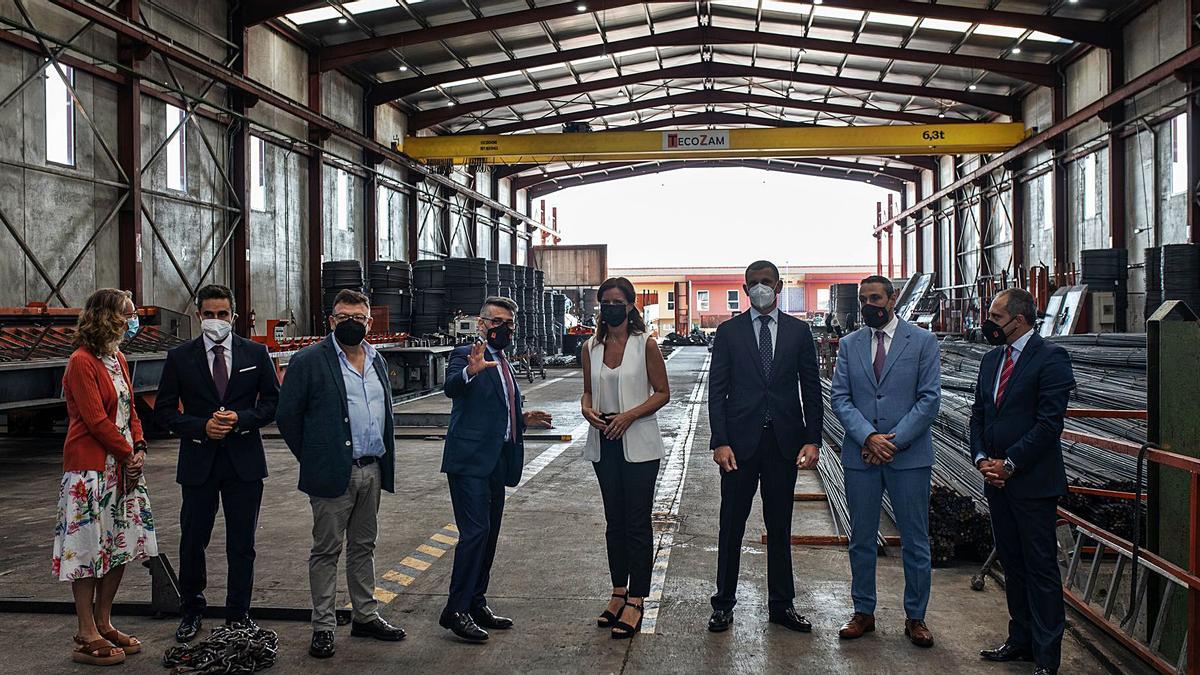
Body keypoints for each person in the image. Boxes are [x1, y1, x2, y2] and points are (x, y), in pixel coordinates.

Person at [276, 289, 406, 659]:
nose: (351, 322)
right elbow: (288, 416)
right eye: (343, 316)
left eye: (358, 317)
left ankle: (365, 615)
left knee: (364, 547)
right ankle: (324, 625)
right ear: (331, 320)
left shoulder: (377, 359)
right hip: (334, 473)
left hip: (372, 469)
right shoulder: (309, 360)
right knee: (327, 550)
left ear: (369, 321)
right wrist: (315, 457)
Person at [155, 284, 279, 642]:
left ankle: (238, 614)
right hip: (199, 461)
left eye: (222, 314)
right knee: (193, 540)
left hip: (244, 463)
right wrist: (201, 427)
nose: (215, 321)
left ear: (234, 316)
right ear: (198, 316)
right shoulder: (180, 357)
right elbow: (163, 411)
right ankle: (191, 610)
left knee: (242, 543)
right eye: (208, 314)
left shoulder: (255, 353)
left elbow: (272, 403)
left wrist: (240, 420)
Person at [707, 260, 823, 634]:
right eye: (753, 283)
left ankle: (781, 605)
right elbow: (717, 391)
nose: (760, 287)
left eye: (766, 282)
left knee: (779, 525)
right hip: (739, 446)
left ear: (778, 285)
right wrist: (720, 440)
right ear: (745, 289)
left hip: (783, 444)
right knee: (731, 526)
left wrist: (813, 438)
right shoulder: (728, 332)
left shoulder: (799, 332)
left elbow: (811, 388)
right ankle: (723, 604)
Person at [830, 275, 941, 647]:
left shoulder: (922, 342)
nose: (868, 305)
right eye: (863, 299)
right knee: (861, 537)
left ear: (892, 299)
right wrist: (867, 436)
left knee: (914, 538)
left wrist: (891, 442)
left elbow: (928, 400)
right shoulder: (850, 344)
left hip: (908, 457)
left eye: (875, 298)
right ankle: (863, 612)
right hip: (861, 455)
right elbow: (841, 398)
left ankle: (916, 617)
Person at [971, 288, 1075, 675]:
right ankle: (1021, 640)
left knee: (1040, 568)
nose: (989, 324)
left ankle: (1047, 657)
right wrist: (983, 459)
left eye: (996, 318)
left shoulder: (1051, 359)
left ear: (1020, 320)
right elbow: (979, 415)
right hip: (995, 481)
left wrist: (1010, 463)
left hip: (1031, 483)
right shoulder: (991, 360)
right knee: (1012, 564)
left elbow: (1049, 424)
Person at [439, 296, 553, 643]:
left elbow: (497, 409)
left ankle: (476, 601)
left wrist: (522, 417)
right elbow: (451, 386)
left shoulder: (504, 361)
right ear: (481, 324)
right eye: (497, 322)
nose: (503, 329)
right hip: (470, 461)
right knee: (474, 534)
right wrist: (469, 372)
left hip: (495, 461)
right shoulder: (467, 354)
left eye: (509, 324)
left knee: (488, 536)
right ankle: (455, 610)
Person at [54, 288, 157, 666]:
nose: (134, 322)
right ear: (106, 316)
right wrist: (128, 454)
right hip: (91, 471)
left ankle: (103, 622)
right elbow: (95, 419)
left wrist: (140, 447)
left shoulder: (117, 358)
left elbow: (130, 409)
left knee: (118, 545)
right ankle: (85, 631)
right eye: (128, 315)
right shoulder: (81, 362)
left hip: (123, 468)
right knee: (87, 549)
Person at [580, 278, 669, 639]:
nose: (611, 307)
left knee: (636, 522)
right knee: (614, 522)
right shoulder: (590, 346)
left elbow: (662, 392)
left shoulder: (644, 345)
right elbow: (587, 392)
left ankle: (637, 598)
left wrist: (629, 415)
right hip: (604, 441)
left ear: (631, 306)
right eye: (605, 302)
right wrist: (587, 411)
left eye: (618, 301)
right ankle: (618, 591)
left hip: (639, 444)